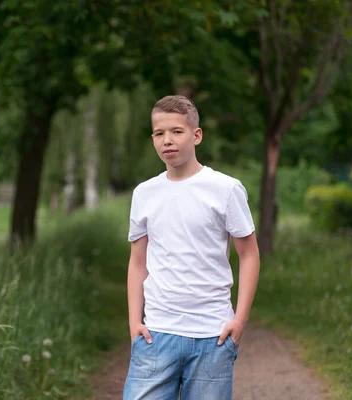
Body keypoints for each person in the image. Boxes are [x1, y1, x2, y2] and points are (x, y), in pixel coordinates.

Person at [123, 95, 260, 400]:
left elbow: (249, 254)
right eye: (159, 133)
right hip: (156, 336)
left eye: (176, 132)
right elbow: (137, 263)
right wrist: (135, 322)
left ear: (196, 135)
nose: (166, 141)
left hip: (213, 335)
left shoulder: (226, 189)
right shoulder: (144, 193)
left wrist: (239, 320)